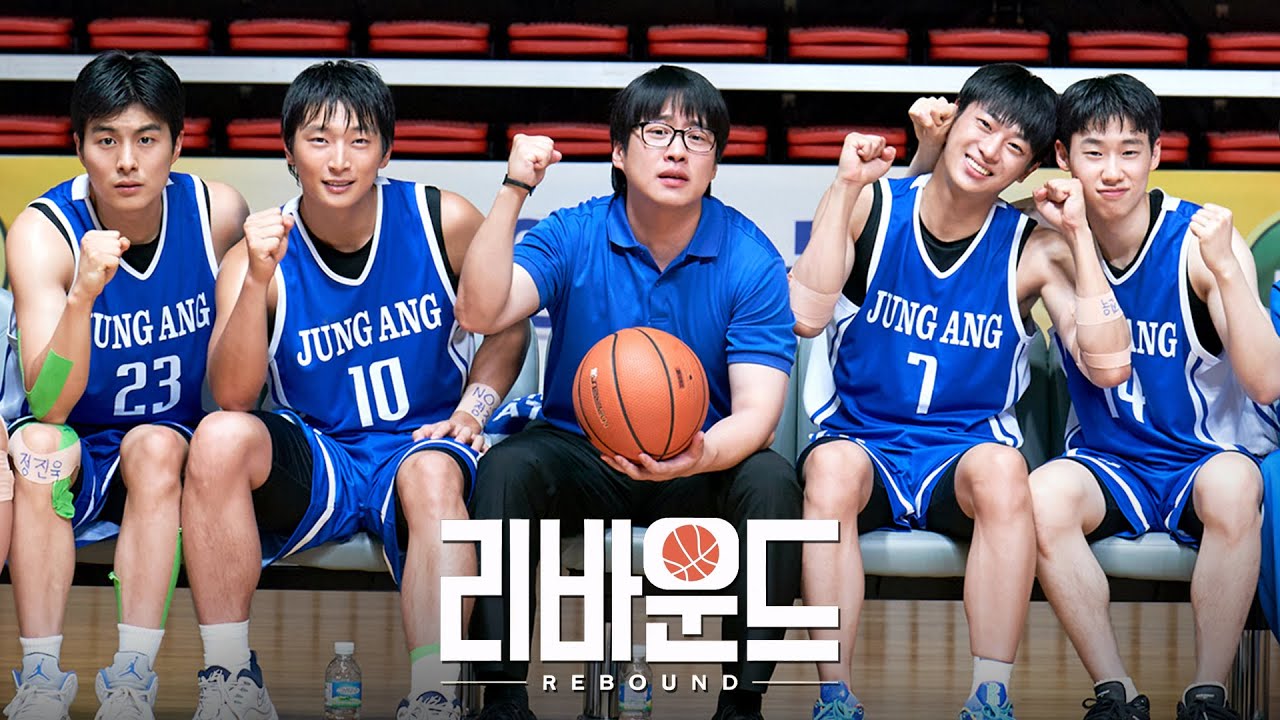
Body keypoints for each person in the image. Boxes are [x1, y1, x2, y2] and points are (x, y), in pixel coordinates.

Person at [179, 60, 529, 720]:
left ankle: (434, 694)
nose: (339, 161)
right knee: (220, 437)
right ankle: (228, 678)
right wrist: (256, 282)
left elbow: (510, 325)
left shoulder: (442, 218)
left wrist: (473, 408)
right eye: (319, 139)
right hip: (322, 454)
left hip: (421, 442)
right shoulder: (257, 252)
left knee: (432, 474)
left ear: (386, 151)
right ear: (289, 151)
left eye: (359, 140)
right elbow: (231, 396)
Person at [456, 65, 802, 720]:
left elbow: (757, 413)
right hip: (581, 453)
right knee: (507, 469)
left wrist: (698, 456)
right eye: (658, 132)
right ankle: (501, 699)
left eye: (697, 138)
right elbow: (479, 311)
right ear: (618, 151)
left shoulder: (750, 258)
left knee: (773, 482)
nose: (677, 150)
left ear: (715, 162)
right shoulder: (573, 232)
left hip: (698, 458)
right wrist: (513, 189)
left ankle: (741, 705)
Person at [792, 63, 1133, 720]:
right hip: (862, 441)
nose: (990, 150)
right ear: (953, 122)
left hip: (961, 454)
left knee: (1005, 469)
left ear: (1028, 169)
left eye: (1015, 146)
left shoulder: (1032, 247)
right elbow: (806, 315)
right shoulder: (873, 205)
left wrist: (1081, 237)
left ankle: (989, 696)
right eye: (984, 126)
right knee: (829, 468)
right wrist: (844, 185)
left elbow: (1109, 364)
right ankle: (834, 696)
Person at [1021, 74, 1280, 720]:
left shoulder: (1199, 242)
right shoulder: (1052, 241)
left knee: (1235, 486)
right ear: (1063, 157)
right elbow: (952, 213)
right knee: (1042, 496)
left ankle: (1207, 693)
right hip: (1110, 461)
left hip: (1205, 456)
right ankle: (1116, 694)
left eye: (1130, 151)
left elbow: (1267, 382)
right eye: (1094, 152)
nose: (1113, 171)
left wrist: (1229, 269)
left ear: (1157, 154)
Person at [2, 50, 248, 720]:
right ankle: (41, 677)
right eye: (106, 141)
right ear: (78, 145)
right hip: (77, 440)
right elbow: (47, 402)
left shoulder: (218, 214)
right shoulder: (43, 233)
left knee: (156, 446)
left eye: (146, 139)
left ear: (178, 143)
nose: (127, 162)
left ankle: (131, 676)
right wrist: (82, 297)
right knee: (39, 447)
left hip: (169, 446)